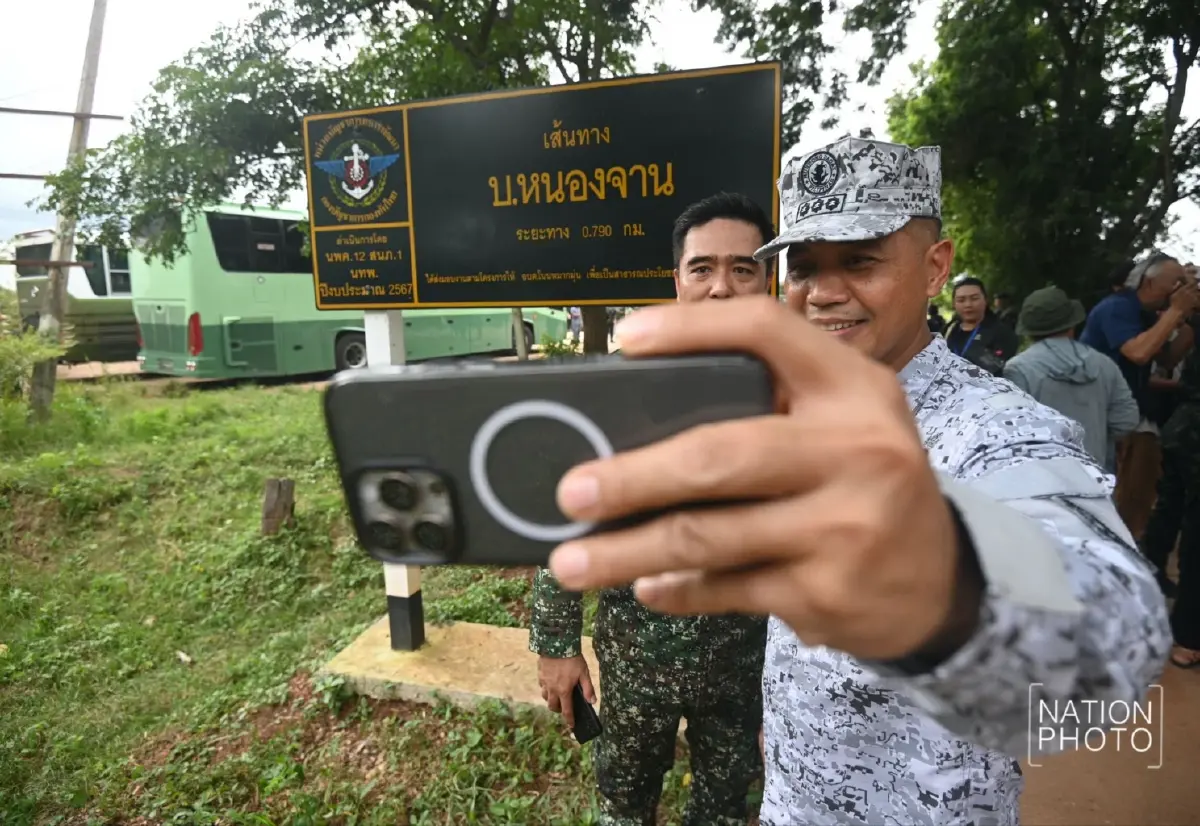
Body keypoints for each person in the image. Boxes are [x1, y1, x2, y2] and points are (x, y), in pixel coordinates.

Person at [542, 136, 1170, 826]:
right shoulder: (788, 406)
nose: (825, 291)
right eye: (805, 266)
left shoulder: (996, 427)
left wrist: (940, 582)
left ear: (936, 267)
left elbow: (1105, 659)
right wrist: (787, 722)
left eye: (862, 260)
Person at [530, 192, 774, 826]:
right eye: (703, 269)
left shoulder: (795, 387)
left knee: (726, 809)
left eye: (743, 269)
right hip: (639, 655)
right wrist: (557, 642)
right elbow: (564, 515)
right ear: (678, 280)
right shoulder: (617, 387)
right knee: (625, 804)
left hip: (746, 661)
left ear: (766, 279)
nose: (722, 287)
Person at [1079, 253, 1198, 542]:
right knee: (1125, 496)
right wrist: (1174, 312)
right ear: (1149, 281)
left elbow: (1168, 358)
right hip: (1101, 416)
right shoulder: (1117, 308)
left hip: (1128, 414)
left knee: (1139, 495)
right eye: (1177, 283)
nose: (1180, 290)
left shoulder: (1146, 315)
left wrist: (1188, 319)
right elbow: (1138, 352)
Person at [1002, 286, 1139, 472]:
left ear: (1029, 330)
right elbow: (1126, 421)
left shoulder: (1018, 368)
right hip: (1095, 481)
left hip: (1039, 484)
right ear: (1072, 324)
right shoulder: (1103, 364)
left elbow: (1010, 433)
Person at [1140, 336, 1200, 668]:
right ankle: (1188, 634)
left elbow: (1168, 358)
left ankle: (1146, 600)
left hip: (1182, 423)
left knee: (1168, 512)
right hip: (1191, 425)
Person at [944, 276, 1020, 374]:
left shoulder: (1002, 333)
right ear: (954, 304)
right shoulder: (948, 330)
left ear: (986, 300)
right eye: (961, 300)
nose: (968, 305)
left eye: (974, 298)